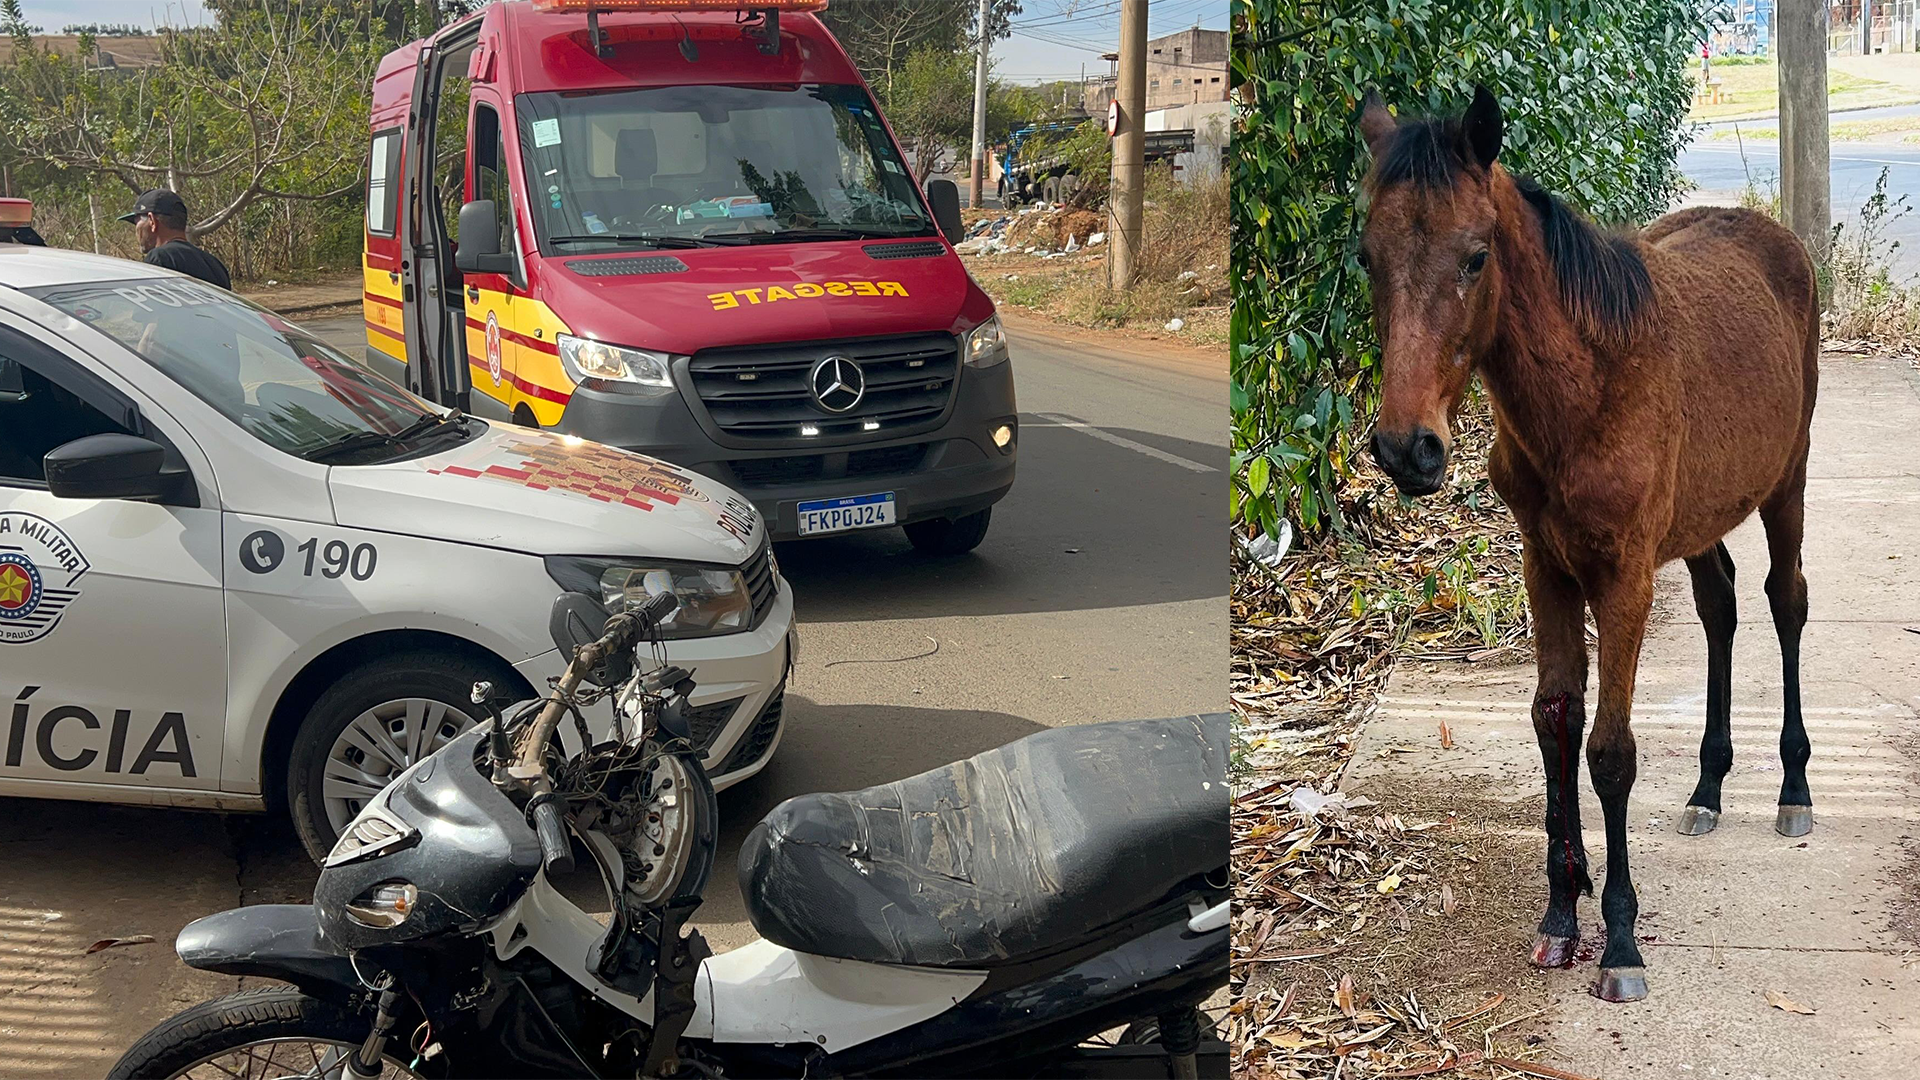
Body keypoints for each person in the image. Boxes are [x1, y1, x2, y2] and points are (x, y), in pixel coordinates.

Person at [118, 189, 231, 290]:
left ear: (152, 221)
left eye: (136, 223)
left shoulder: (159, 258)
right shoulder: (216, 265)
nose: (136, 231)